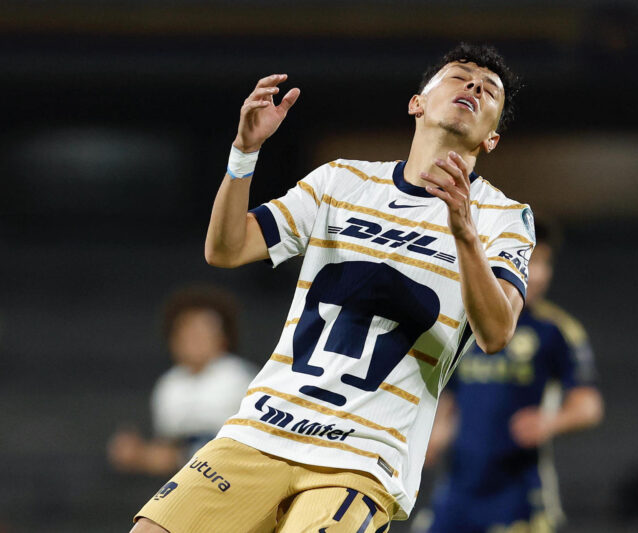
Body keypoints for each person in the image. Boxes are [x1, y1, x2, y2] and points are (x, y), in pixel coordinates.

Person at [132, 43, 533, 533]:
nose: (473, 86)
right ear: (417, 102)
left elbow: (495, 333)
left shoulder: (503, 217)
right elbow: (226, 249)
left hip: (363, 456)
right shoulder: (341, 181)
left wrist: (465, 234)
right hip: (264, 427)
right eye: (460, 75)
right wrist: (245, 154)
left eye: (489, 90)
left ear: (491, 139)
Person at [423, 218, 604, 533]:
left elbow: (589, 406)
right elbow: (452, 399)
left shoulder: (556, 330)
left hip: (518, 494)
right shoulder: (461, 325)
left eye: (545, 263)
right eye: (529, 261)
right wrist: (435, 436)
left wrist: (551, 422)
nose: (540, 275)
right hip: (456, 492)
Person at [108, 285, 256, 476]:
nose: (194, 338)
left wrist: (156, 457)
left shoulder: (241, 378)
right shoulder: (169, 385)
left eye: (203, 330)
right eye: (186, 331)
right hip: (188, 482)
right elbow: (168, 449)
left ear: (223, 337)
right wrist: (139, 453)